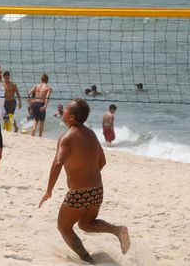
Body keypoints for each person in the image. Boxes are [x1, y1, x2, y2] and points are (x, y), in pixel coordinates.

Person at [39, 98, 130, 263]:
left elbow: (57, 163)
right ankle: (118, 230)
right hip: (97, 189)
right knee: (86, 224)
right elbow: (102, 161)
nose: (63, 112)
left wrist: (49, 191)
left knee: (64, 227)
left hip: (79, 193)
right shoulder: (91, 133)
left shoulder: (66, 137)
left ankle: (87, 260)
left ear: (72, 117)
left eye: (65, 110)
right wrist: (88, 177)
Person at [28, 73, 52, 137]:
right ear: (47, 80)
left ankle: (33, 130)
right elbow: (47, 97)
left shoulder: (37, 86)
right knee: (42, 121)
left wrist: (30, 101)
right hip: (41, 104)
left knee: (36, 119)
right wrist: (45, 106)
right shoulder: (48, 88)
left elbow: (29, 93)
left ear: (41, 79)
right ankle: (40, 135)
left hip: (34, 103)